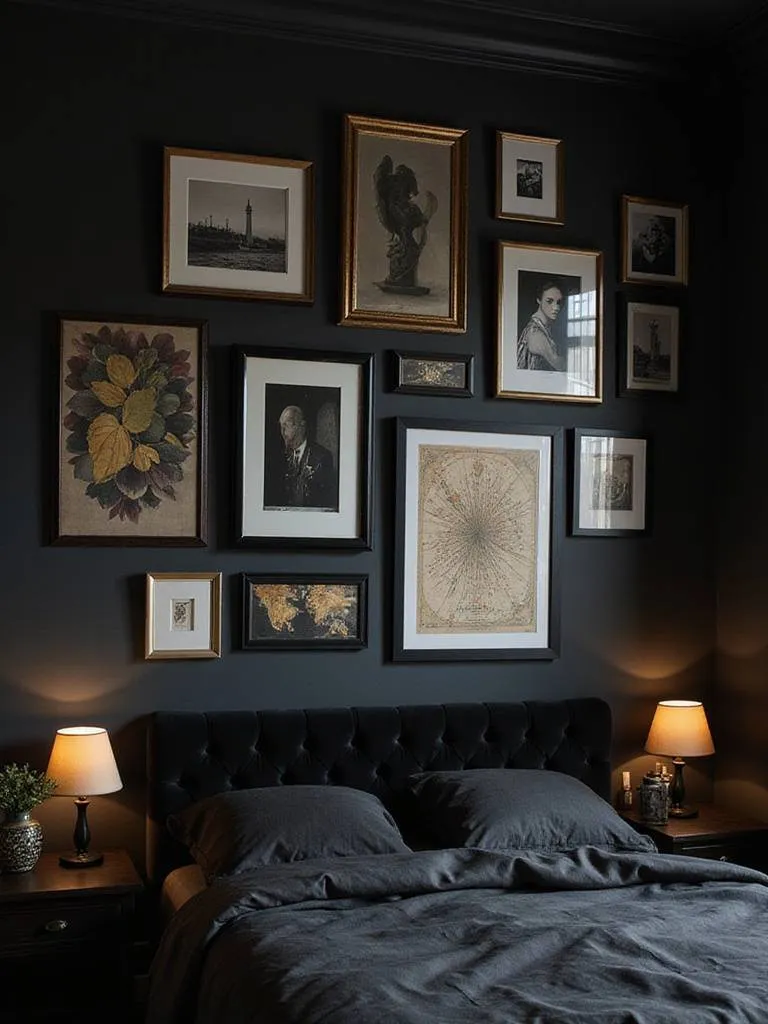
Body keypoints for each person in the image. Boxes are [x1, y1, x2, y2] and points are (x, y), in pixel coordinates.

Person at [274, 404, 336, 510]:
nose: (283, 430)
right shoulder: (277, 458)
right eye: (281, 425)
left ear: (301, 426)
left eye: (287, 425)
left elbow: (327, 501)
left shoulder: (322, 456)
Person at [516, 280, 567, 372]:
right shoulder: (536, 333)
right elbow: (560, 365)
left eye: (558, 302)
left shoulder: (544, 327)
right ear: (539, 300)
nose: (556, 308)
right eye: (549, 301)